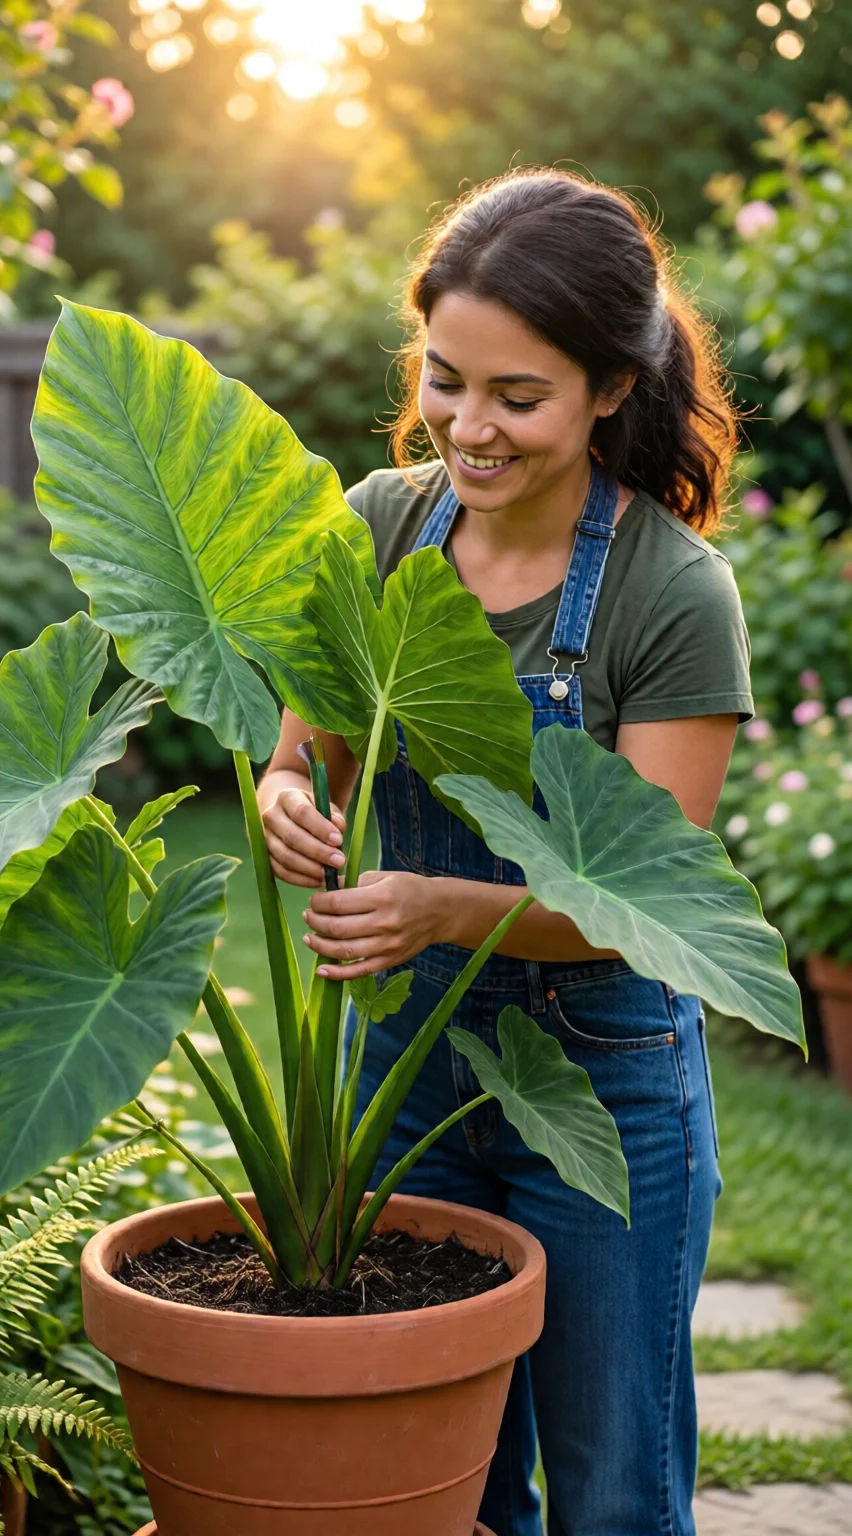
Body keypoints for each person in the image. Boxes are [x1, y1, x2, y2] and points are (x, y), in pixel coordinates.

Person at [256, 168, 752, 1536]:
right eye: (443, 377)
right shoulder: (375, 525)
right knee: (447, 1493)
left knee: (613, 1492)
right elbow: (304, 758)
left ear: (609, 388)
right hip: (406, 1067)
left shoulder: (673, 594)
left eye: (515, 397)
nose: (467, 427)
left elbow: (647, 907)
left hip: (605, 1075)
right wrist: (283, 798)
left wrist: (435, 907)